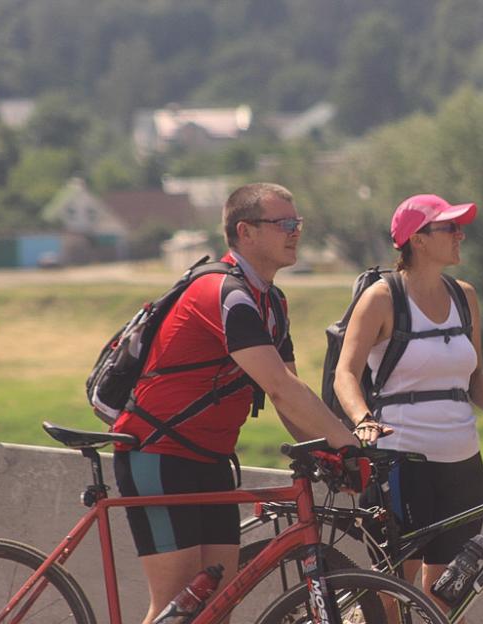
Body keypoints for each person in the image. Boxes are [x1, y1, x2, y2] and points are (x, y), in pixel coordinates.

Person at [112, 182, 358, 624]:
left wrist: (329, 452)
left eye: (297, 222)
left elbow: (291, 397)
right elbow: (279, 387)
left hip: (211, 458)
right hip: (158, 453)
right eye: (283, 223)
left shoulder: (272, 301)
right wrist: (348, 442)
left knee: (218, 605)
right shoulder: (224, 293)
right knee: (176, 606)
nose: (295, 231)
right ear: (245, 231)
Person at [334, 193, 483, 612]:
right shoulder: (382, 299)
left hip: (462, 464)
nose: (460, 235)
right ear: (417, 239)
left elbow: (474, 374)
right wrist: (363, 420)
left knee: (447, 595)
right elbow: (345, 374)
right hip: (401, 462)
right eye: (450, 227)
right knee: (393, 588)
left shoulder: (464, 296)